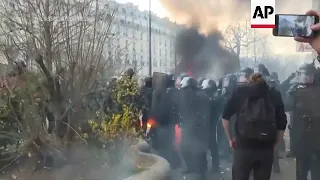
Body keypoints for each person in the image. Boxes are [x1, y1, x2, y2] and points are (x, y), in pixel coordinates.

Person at [222, 73, 287, 180]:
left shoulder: (240, 92)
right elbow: (282, 124)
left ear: (249, 81)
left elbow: (225, 117)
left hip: (243, 148)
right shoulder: (274, 94)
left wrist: (230, 139)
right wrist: (275, 143)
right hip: (266, 149)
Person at [285, 63, 320, 180]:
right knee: (301, 171)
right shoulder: (295, 90)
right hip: (302, 139)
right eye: (302, 74)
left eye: (308, 74)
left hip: (314, 140)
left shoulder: (317, 90)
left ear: (313, 76)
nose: (305, 77)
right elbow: (287, 106)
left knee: (315, 172)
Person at [179, 76, 209, 180]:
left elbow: (203, 113)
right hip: (189, 126)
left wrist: (196, 123)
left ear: (191, 88)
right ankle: (191, 167)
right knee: (184, 147)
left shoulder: (201, 96)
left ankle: (202, 173)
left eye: (186, 89)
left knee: (199, 150)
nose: (184, 92)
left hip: (198, 128)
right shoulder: (189, 96)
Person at [199, 78, 221, 174]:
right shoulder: (207, 98)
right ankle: (204, 166)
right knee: (204, 146)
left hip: (212, 126)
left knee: (213, 147)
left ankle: (215, 167)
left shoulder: (215, 98)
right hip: (205, 126)